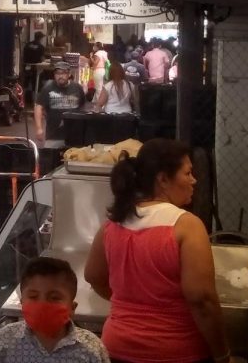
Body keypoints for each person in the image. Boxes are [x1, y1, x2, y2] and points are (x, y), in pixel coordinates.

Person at [84, 139, 232, 363]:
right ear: (163, 179)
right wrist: (222, 354)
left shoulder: (113, 225)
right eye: (187, 173)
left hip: (116, 348)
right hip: (176, 352)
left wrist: (130, 307)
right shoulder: (186, 225)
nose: (194, 180)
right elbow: (202, 300)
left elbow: (93, 276)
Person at [0, 257, 110, 362]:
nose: (42, 304)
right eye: (33, 296)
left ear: (72, 308)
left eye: (54, 298)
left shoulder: (91, 349)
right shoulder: (5, 341)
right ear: (22, 303)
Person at [34, 62, 85, 147]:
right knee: (49, 155)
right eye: (57, 73)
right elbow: (38, 106)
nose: (60, 76)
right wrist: (39, 128)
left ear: (69, 74)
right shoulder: (48, 88)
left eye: (63, 73)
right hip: (53, 135)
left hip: (75, 136)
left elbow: (83, 107)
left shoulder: (77, 88)